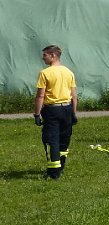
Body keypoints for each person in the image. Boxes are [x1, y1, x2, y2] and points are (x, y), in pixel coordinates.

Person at [33, 45, 78, 179]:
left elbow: (40, 96)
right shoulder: (69, 72)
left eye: (45, 55)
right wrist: (74, 113)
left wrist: (37, 114)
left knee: (51, 140)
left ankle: (53, 172)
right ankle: (61, 166)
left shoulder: (45, 73)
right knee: (64, 139)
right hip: (67, 108)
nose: (43, 58)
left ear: (53, 55)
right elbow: (74, 95)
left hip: (52, 110)